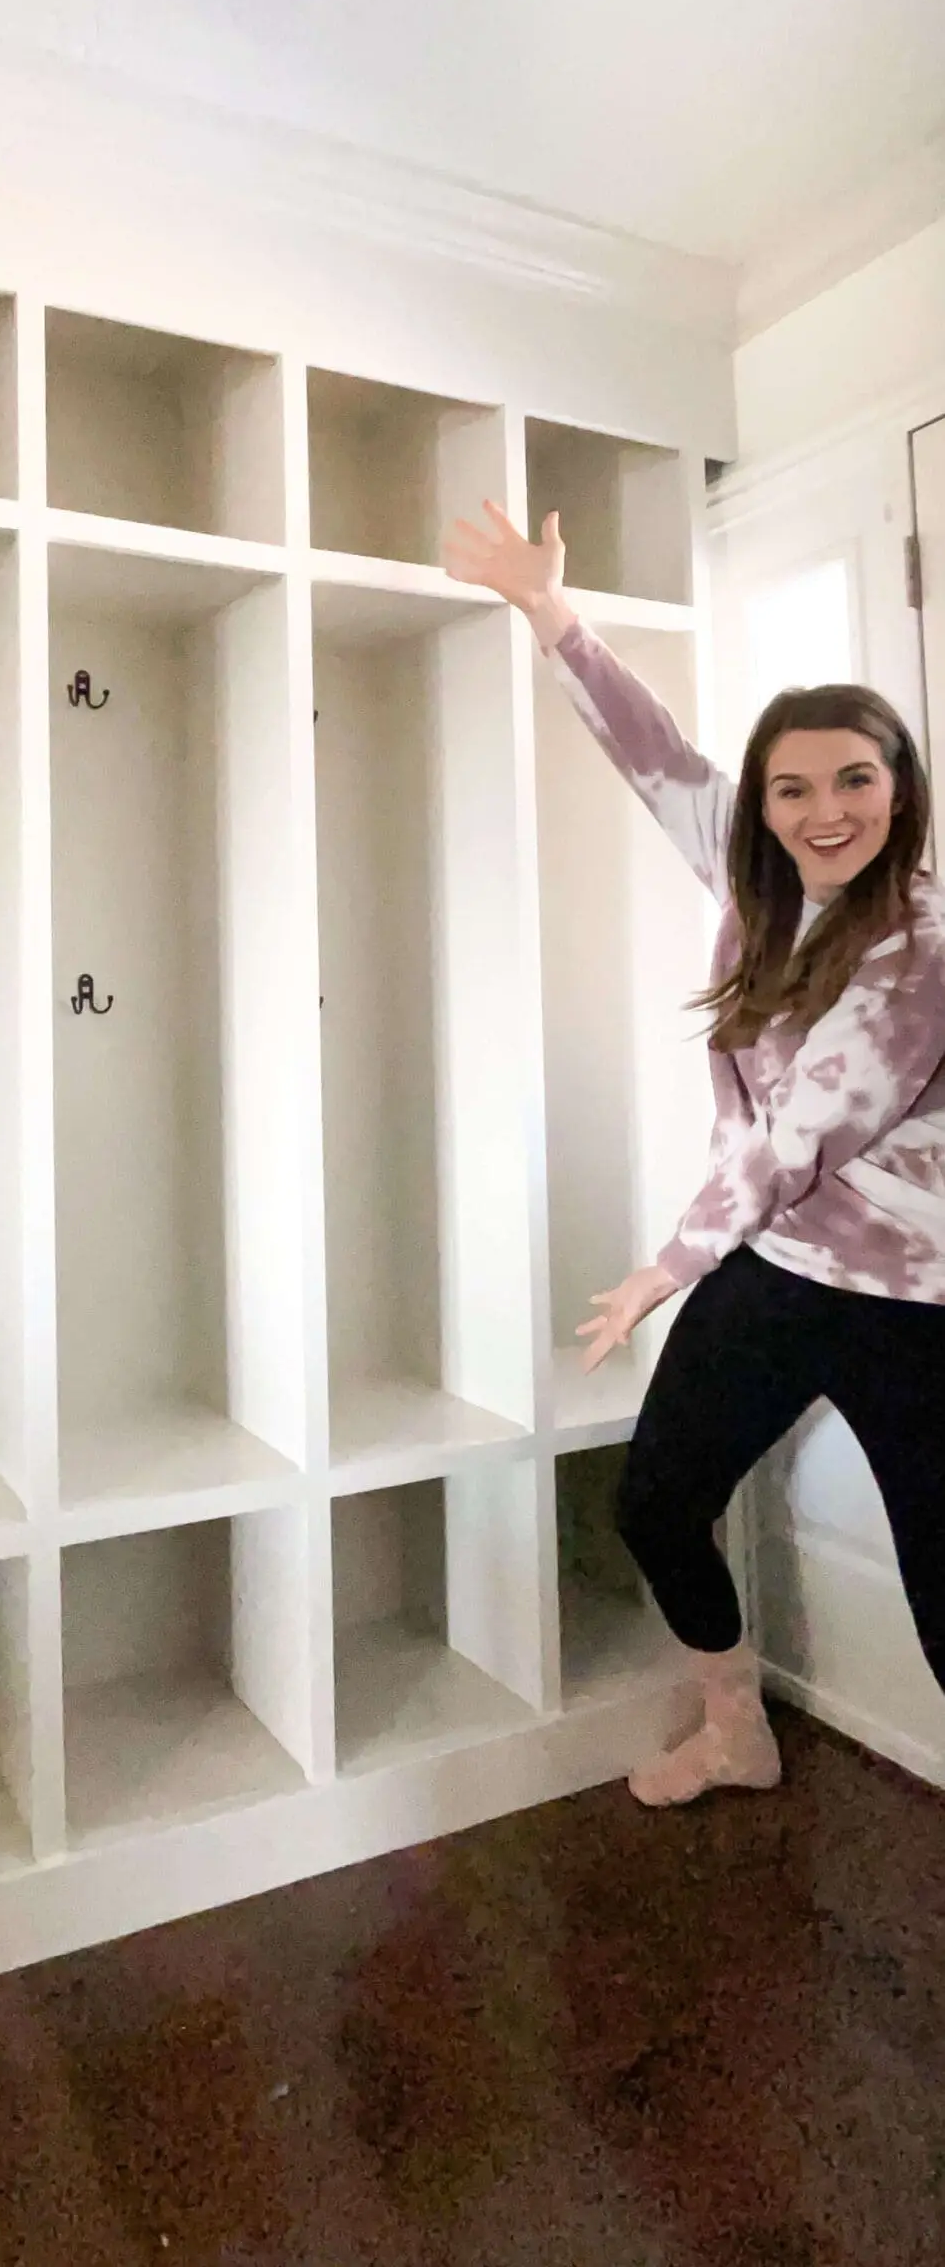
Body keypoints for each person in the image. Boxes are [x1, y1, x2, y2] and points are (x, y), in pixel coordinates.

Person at [445, 499, 945, 1807]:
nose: (821, 810)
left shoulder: (918, 951)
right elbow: (652, 752)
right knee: (656, 1500)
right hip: (776, 1270)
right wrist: (548, 613)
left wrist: (660, 1269)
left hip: (912, 1307)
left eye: (855, 780)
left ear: (898, 794)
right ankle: (734, 1728)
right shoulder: (753, 881)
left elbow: (795, 1136)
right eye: (792, 785)